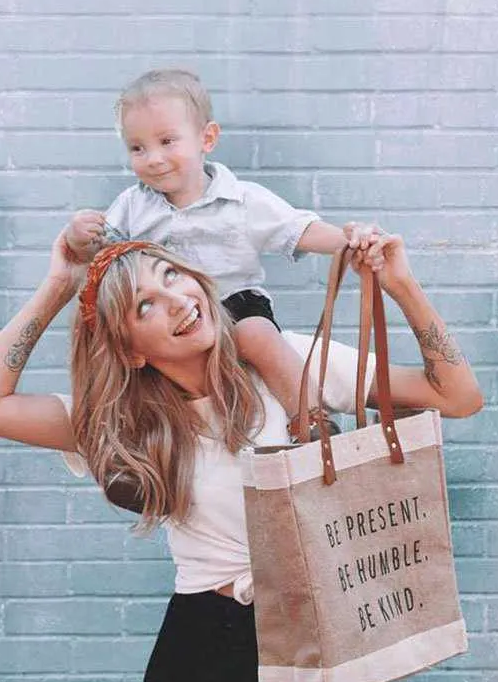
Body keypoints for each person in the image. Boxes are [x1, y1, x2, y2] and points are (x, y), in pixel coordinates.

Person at [0, 229, 483, 682]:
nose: (175, 300)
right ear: (129, 350)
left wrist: (400, 285)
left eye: (172, 276)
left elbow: (458, 395)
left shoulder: (291, 364)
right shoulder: (124, 422)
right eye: (144, 304)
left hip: (316, 648)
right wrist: (60, 284)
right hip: (203, 657)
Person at [63, 67, 379, 440]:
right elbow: (104, 257)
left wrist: (348, 241)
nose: (153, 158)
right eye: (138, 148)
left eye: (167, 141)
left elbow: (297, 229)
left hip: (236, 305)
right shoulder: (132, 206)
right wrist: (78, 236)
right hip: (173, 316)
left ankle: (309, 418)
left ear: (207, 138)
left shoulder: (243, 200)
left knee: (256, 335)